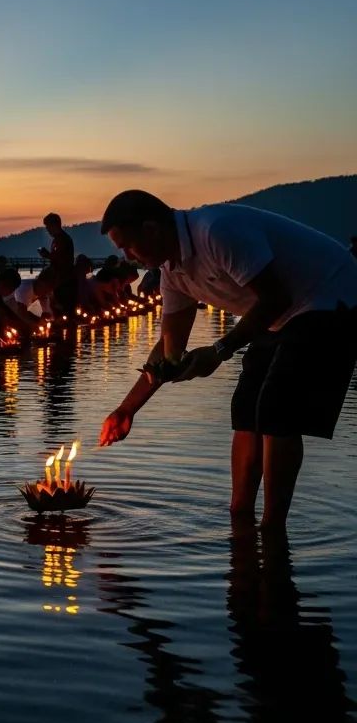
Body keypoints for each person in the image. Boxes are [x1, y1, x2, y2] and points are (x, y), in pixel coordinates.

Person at [98, 190, 357, 529]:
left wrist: (220, 350)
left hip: (334, 298)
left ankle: (272, 528)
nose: (127, 256)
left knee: (276, 408)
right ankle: (240, 517)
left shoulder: (215, 231)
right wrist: (126, 409)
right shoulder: (172, 273)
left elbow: (275, 298)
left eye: (127, 245)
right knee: (246, 408)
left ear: (152, 229)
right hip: (282, 313)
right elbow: (170, 351)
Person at [38, 212, 76, 314]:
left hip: (64, 280)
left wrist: (47, 255)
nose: (47, 230)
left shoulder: (63, 239)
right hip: (58, 280)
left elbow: (61, 258)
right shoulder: (58, 239)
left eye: (48, 227)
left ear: (54, 225)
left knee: (63, 310)